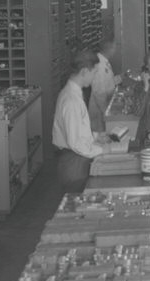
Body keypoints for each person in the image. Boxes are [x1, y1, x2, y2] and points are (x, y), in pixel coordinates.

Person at [53, 48, 126, 194]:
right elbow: (75, 142)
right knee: (75, 202)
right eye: (94, 73)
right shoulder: (71, 100)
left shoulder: (73, 94)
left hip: (75, 156)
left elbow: (77, 130)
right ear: (84, 72)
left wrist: (96, 136)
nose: (94, 78)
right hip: (73, 161)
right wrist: (103, 149)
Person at [87, 38, 117, 131]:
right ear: (110, 49)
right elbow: (99, 92)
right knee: (99, 138)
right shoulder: (99, 65)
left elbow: (108, 81)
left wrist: (121, 78)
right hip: (99, 110)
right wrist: (106, 112)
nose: (115, 51)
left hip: (104, 106)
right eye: (114, 48)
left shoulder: (104, 61)